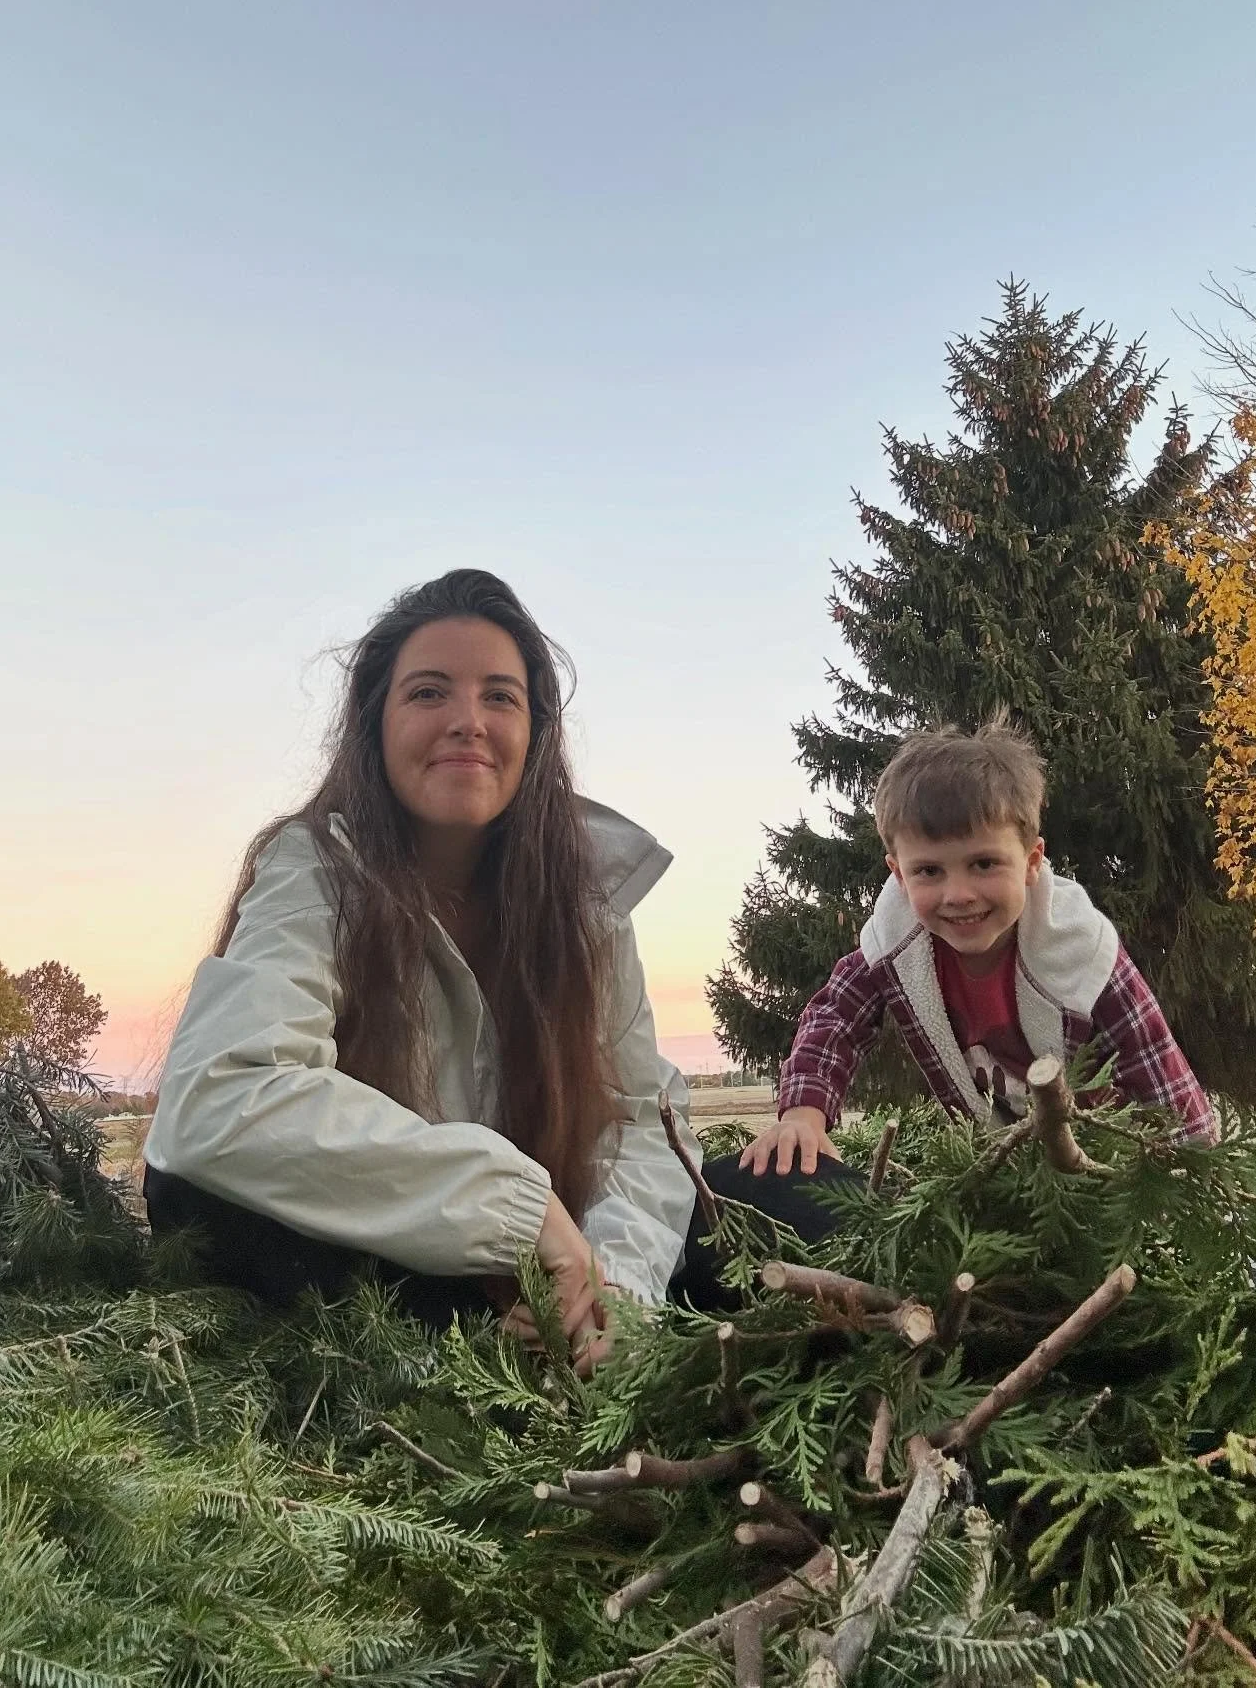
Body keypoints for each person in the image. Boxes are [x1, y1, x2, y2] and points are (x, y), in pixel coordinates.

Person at [145, 569, 832, 1373]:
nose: (467, 722)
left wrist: (620, 1292)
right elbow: (218, 1094)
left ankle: (582, 1348)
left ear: (537, 732)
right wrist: (516, 1208)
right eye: (429, 693)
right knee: (194, 1192)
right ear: (375, 724)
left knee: (797, 1198)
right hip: (396, 1271)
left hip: (566, 1267)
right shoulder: (317, 868)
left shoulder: (586, 903)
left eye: (500, 697)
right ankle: (471, 1361)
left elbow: (641, 1120)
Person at [741, 717, 1217, 1179]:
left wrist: (1196, 1173)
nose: (959, 894)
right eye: (929, 871)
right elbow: (834, 1018)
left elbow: (1157, 1070)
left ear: (1032, 862)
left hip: (1103, 1160)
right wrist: (803, 1114)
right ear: (899, 875)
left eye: (984, 863)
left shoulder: (1081, 950)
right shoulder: (894, 945)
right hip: (996, 1160)